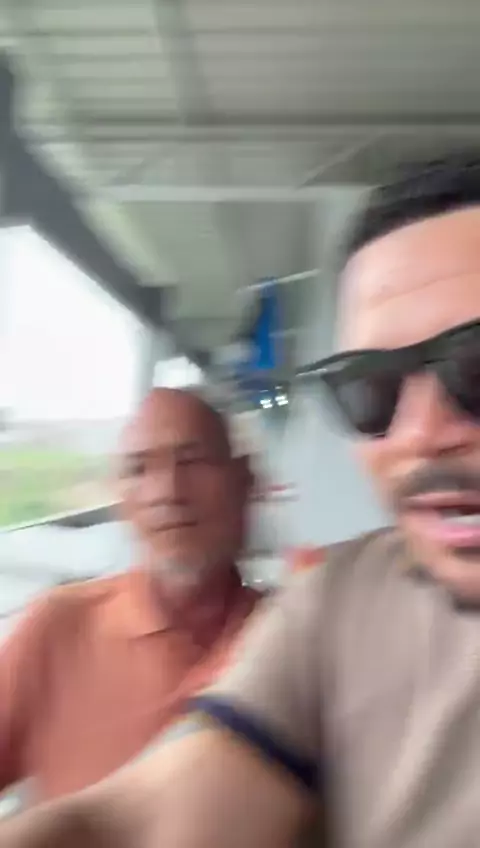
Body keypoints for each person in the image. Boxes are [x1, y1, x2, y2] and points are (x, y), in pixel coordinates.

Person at [4, 153, 480, 848]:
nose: (420, 434)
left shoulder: (283, 612)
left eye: (476, 366)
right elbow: (146, 819)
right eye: (371, 387)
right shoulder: (343, 603)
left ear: (248, 482)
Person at [0, 388, 259, 802]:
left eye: (192, 461)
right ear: (121, 497)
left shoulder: (289, 634)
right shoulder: (59, 628)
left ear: (244, 480)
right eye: (139, 469)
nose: (167, 492)